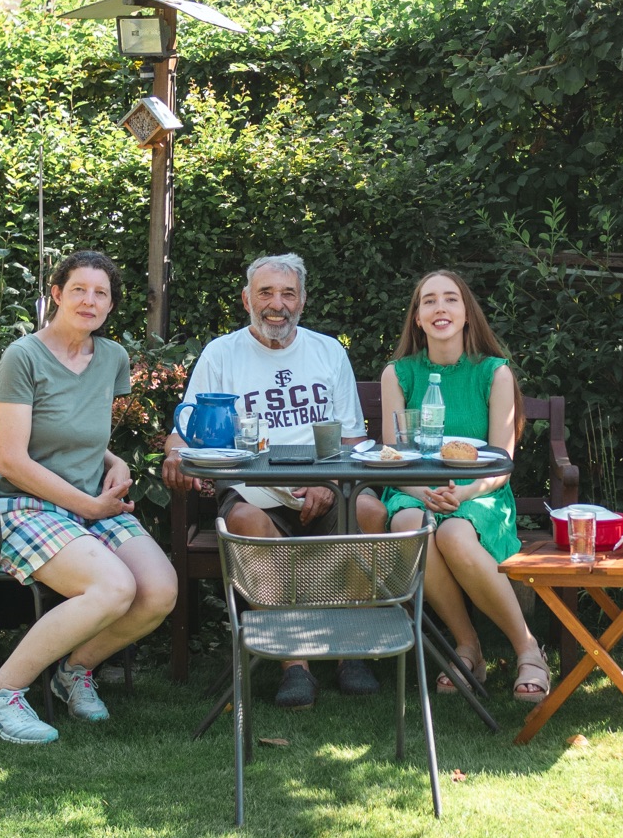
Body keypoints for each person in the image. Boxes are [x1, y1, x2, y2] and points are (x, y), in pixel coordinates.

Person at [0, 250, 179, 744]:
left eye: (101, 293)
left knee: (159, 591)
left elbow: (75, 429)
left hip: (87, 505)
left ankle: (73, 672)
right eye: (78, 289)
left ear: (110, 307)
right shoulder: (24, 356)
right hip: (23, 505)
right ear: (56, 294)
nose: (89, 300)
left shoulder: (112, 358)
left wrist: (114, 460)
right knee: (113, 587)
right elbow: (13, 459)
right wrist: (88, 507)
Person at [160, 252, 385, 709]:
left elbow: (353, 438)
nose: (276, 304)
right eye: (265, 292)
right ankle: (293, 662)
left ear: (302, 301)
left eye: (287, 293)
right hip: (253, 493)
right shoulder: (222, 353)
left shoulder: (327, 351)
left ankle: (349, 650)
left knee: (371, 510)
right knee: (244, 519)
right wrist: (173, 454)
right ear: (247, 299)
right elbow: (183, 434)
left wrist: (329, 483)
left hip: (328, 488)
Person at [379, 269, 550, 704]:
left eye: (450, 299)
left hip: (482, 493)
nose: (440, 308)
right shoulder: (398, 375)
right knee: (410, 525)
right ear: (417, 318)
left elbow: (502, 464)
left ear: (466, 314)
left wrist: (465, 494)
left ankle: (527, 647)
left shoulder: (494, 374)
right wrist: (424, 493)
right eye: (429, 301)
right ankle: (467, 644)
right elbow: (391, 458)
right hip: (414, 490)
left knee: (454, 531)